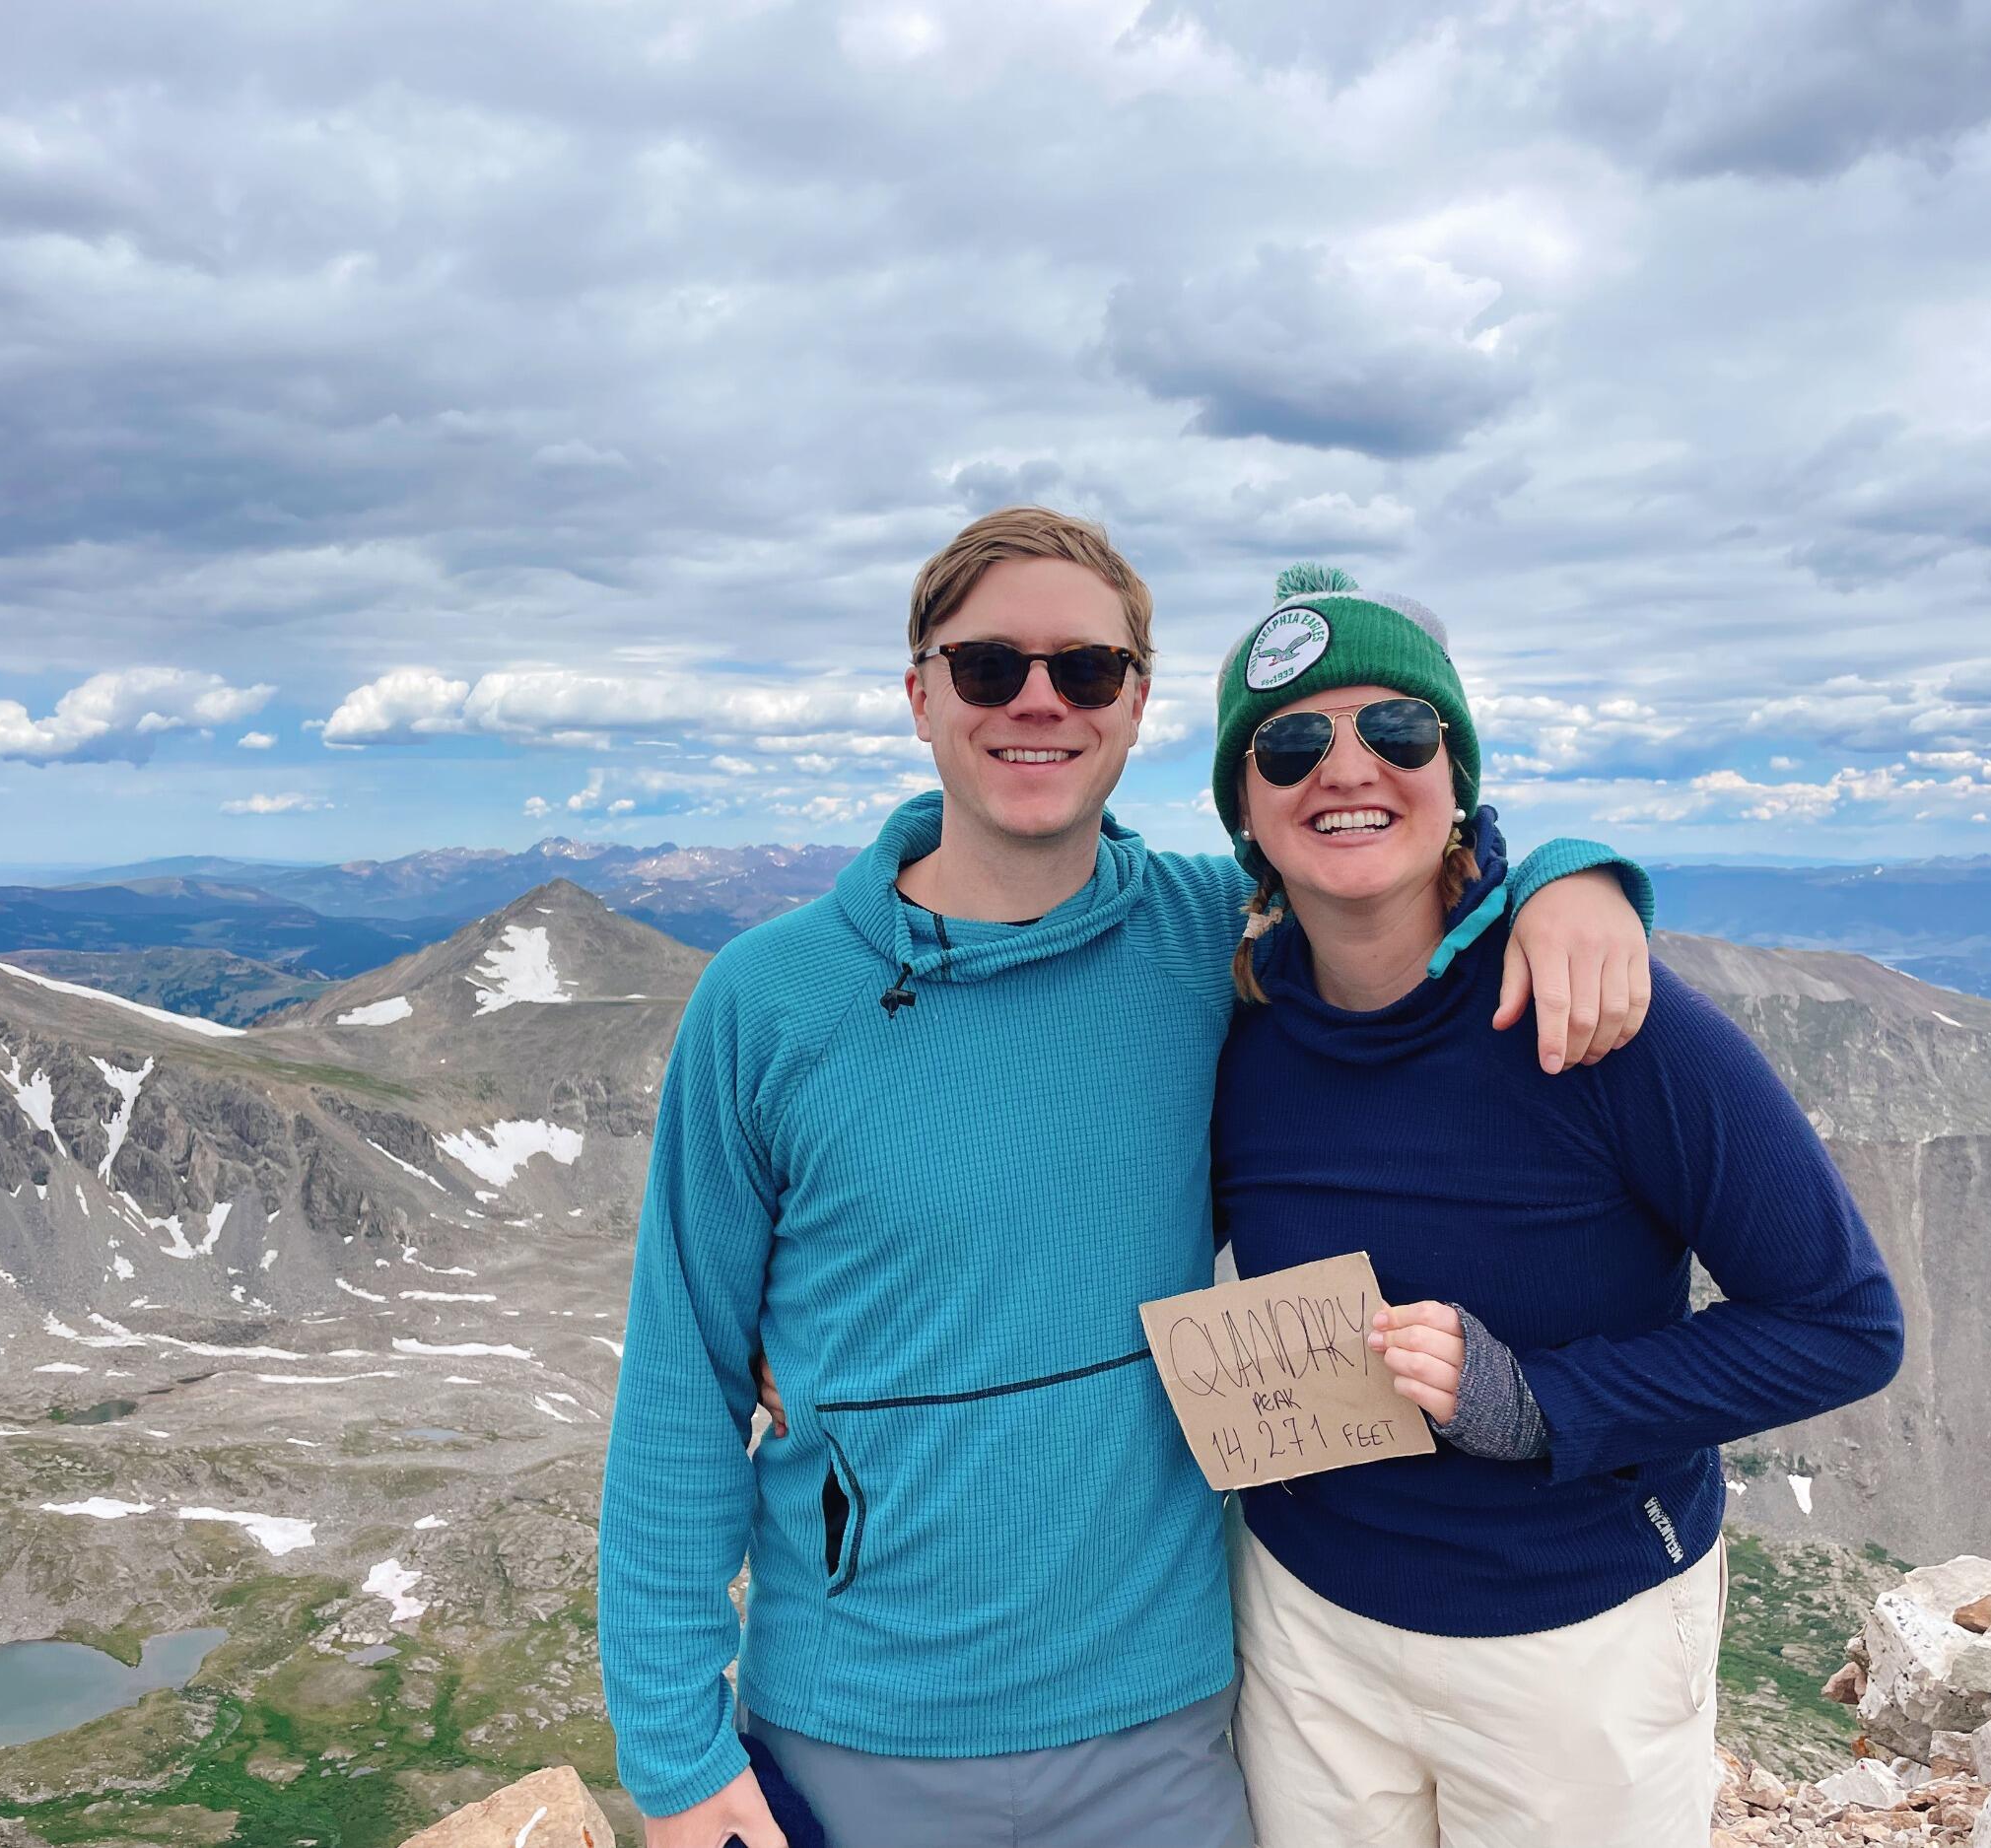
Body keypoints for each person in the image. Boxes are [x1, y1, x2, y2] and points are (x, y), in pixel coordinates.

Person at [596, 511, 1659, 1848]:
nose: (1037, 702)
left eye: (1084, 671)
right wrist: (676, 1763)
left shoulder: (1215, 936)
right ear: (920, 694)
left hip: (1160, 1733)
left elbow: (1383, 862)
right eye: (988, 668)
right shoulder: (764, 1002)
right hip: (852, 1733)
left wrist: (1572, 879)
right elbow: (681, 1388)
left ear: (1138, 704)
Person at [1207, 566, 1906, 1848]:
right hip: (1305, 1623)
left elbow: (1844, 1322)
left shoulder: (1604, 1020)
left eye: (1399, 731)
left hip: (1568, 1640)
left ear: (1458, 773)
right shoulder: (1233, 1020)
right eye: (1292, 742)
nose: (1347, 767)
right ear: (1244, 810)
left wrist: (1542, 1406)